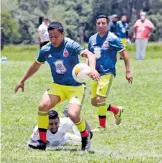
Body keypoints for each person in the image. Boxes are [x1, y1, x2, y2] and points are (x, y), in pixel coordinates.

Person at [14, 21, 100, 151]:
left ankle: (85, 135)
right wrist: (22, 80)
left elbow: (90, 54)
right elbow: (36, 64)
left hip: (75, 87)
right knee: (43, 106)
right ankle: (42, 142)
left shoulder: (70, 45)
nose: (53, 39)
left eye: (56, 36)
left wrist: (92, 69)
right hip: (58, 86)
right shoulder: (46, 49)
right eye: (51, 37)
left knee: (73, 114)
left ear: (62, 34)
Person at [88, 15, 133, 131]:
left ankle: (102, 126)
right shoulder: (92, 39)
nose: (101, 25)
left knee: (100, 99)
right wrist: (86, 69)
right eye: (98, 23)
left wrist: (128, 71)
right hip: (95, 74)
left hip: (107, 73)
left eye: (103, 23)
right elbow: (89, 56)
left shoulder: (113, 38)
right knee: (94, 102)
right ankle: (116, 110)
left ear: (107, 25)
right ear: (96, 24)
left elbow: (125, 55)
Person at [28, 110, 93, 149]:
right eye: (50, 124)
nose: (54, 126)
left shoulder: (64, 122)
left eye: (56, 123)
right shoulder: (39, 129)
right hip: (57, 142)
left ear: (59, 120)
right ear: (45, 123)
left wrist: (88, 131)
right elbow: (31, 142)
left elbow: (80, 119)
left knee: (86, 139)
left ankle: (68, 112)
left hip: (65, 140)